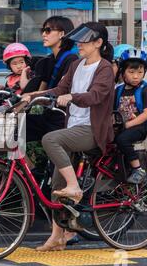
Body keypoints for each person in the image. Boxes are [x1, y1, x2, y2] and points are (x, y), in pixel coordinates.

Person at [24, 22, 115, 252]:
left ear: (98, 43)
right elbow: (58, 90)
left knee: (50, 139)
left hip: (92, 130)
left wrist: (72, 97)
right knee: (56, 187)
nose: (80, 44)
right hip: (74, 127)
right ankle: (58, 237)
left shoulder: (104, 68)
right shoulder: (76, 65)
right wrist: (32, 95)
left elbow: (96, 96)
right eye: (79, 41)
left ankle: (74, 186)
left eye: (85, 41)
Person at [22, 16, 78, 143]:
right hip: (49, 114)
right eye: (43, 30)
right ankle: (25, 164)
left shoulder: (71, 60)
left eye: (48, 30)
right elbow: (42, 88)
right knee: (17, 129)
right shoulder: (49, 59)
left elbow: (61, 90)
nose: (43, 34)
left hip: (62, 117)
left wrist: (30, 96)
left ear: (62, 34)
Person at [114, 49, 147, 184]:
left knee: (122, 140)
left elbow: (146, 114)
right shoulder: (118, 90)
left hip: (138, 128)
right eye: (131, 72)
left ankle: (138, 169)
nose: (136, 76)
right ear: (123, 72)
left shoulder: (144, 89)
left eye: (140, 72)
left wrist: (128, 125)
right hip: (122, 126)